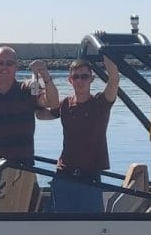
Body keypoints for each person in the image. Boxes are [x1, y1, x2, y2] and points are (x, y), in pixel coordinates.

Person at [49, 56, 120, 213]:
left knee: (91, 223)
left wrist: (105, 52)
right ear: (70, 80)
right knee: (59, 221)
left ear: (91, 79)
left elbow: (114, 79)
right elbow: (42, 114)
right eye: (76, 77)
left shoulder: (100, 103)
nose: (80, 80)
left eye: (84, 76)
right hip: (64, 175)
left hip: (90, 176)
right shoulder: (65, 104)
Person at [0, 46, 59, 165]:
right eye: (0, 63)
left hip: (24, 168)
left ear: (16, 67)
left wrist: (45, 76)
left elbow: (52, 103)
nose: (4, 67)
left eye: (9, 63)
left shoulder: (27, 90)